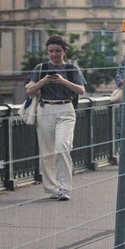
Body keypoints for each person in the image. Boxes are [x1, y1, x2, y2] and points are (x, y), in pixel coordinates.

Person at [25, 35, 86, 201]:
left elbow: (81, 90)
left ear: (64, 51)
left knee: (62, 147)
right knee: (47, 152)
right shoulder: (41, 67)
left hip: (66, 109)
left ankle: (65, 188)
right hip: (45, 109)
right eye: (51, 51)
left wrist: (63, 81)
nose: (54, 54)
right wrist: (43, 81)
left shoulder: (72, 69)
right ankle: (53, 188)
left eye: (57, 51)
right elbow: (29, 90)